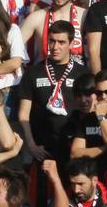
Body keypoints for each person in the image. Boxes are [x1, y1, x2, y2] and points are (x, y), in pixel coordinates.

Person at [18, 21, 91, 162]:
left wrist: (82, 146)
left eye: (61, 42)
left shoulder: (82, 73)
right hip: (42, 149)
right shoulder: (33, 72)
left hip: (73, 146)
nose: (55, 47)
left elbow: (89, 111)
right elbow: (23, 114)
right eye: (52, 41)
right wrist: (31, 145)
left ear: (71, 44)